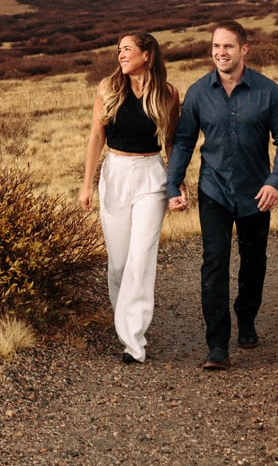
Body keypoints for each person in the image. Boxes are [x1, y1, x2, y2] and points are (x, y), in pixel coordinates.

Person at [166, 20, 278, 371]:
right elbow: (183, 142)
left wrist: (276, 180)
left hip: (257, 193)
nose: (220, 53)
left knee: (254, 261)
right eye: (215, 47)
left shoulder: (267, 91)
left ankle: (247, 317)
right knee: (214, 263)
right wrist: (172, 185)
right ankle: (217, 345)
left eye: (227, 47)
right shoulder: (198, 93)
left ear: (244, 50)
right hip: (214, 190)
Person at [80, 31, 181, 364]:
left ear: (147, 54)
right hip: (116, 174)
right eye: (119, 50)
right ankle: (125, 320)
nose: (121, 55)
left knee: (141, 257)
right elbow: (96, 137)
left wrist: (176, 185)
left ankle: (133, 340)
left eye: (127, 49)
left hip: (151, 176)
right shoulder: (108, 89)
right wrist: (87, 184)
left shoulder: (168, 93)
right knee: (120, 262)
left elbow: (171, 143)